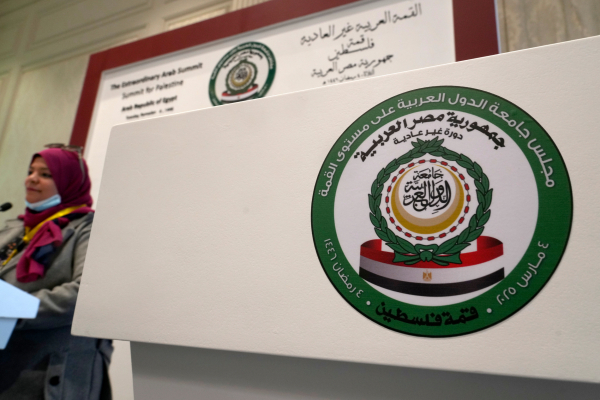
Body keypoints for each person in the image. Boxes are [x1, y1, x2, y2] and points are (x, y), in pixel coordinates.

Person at [0, 145, 112, 400]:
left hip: (48, 371)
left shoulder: (87, 228)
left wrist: (14, 308)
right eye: (30, 171)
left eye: (45, 174)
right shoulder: (15, 228)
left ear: (68, 182)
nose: (32, 179)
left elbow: (85, 294)